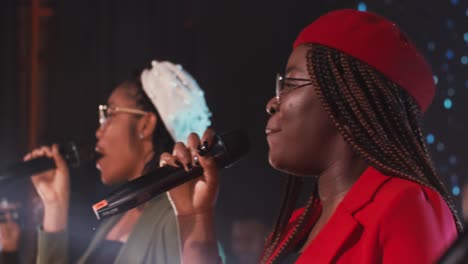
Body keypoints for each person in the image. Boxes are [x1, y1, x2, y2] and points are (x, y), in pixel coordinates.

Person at [160, 9, 461, 264]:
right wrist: (194, 217)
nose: (272, 102)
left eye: (289, 83)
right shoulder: (295, 225)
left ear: (345, 98)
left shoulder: (407, 206)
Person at [24, 60, 212, 263]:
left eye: (109, 114)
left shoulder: (175, 217)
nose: (99, 131)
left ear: (145, 125)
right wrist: (55, 206)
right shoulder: (114, 217)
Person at [0, 200, 20, 264]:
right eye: (6, 212)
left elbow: (13, 240)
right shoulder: (2, 226)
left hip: (13, 253)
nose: (8, 214)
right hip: (5, 253)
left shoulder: (16, 226)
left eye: (10, 212)